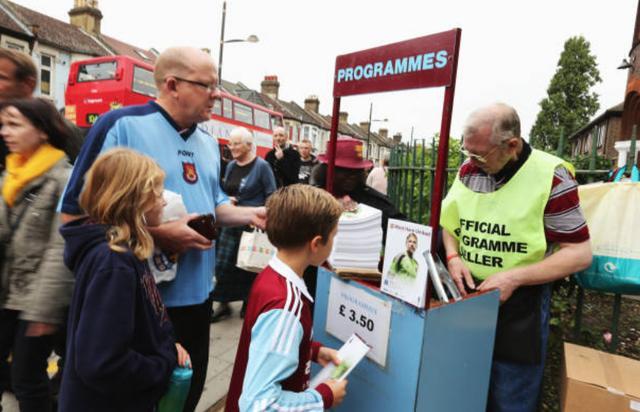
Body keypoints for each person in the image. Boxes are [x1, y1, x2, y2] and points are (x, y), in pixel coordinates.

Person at [58, 47, 266, 412]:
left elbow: (213, 204)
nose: (217, 95)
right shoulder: (120, 125)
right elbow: (74, 218)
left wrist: (252, 215)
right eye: (208, 86)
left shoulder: (205, 142)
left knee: (187, 396)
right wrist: (160, 235)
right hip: (140, 309)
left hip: (197, 301)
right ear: (172, 84)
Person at [440, 103, 592, 412]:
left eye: (480, 155)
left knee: (511, 396)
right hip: (468, 297)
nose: (470, 162)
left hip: (520, 303)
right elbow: (450, 223)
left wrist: (514, 277)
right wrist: (453, 255)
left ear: (512, 145)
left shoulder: (551, 176)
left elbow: (579, 254)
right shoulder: (470, 170)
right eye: (466, 152)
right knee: (462, 387)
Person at [58, 148, 190, 411]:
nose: (163, 201)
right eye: (158, 193)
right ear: (136, 199)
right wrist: (163, 364)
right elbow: (102, 363)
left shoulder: (120, 250)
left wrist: (164, 345)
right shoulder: (114, 262)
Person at [226, 184, 348, 412]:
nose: (334, 243)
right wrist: (323, 397)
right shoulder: (287, 306)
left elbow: (268, 343)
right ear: (315, 243)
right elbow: (259, 405)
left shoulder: (272, 276)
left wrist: (312, 350)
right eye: (333, 236)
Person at [0, 98, 74, 412]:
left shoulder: (64, 178)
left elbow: (60, 250)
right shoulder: (10, 173)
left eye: (14, 124)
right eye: (3, 124)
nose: (5, 132)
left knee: (26, 377)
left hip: (37, 301)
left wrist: (43, 312)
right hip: (6, 292)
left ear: (42, 131)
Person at [211, 127, 276, 322]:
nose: (231, 147)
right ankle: (223, 304)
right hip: (230, 223)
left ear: (249, 145)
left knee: (248, 267)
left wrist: (258, 211)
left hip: (251, 225)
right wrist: (226, 199)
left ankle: (249, 302)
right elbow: (223, 190)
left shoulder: (262, 166)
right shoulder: (231, 166)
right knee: (223, 266)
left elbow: (272, 195)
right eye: (230, 143)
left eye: (236, 143)